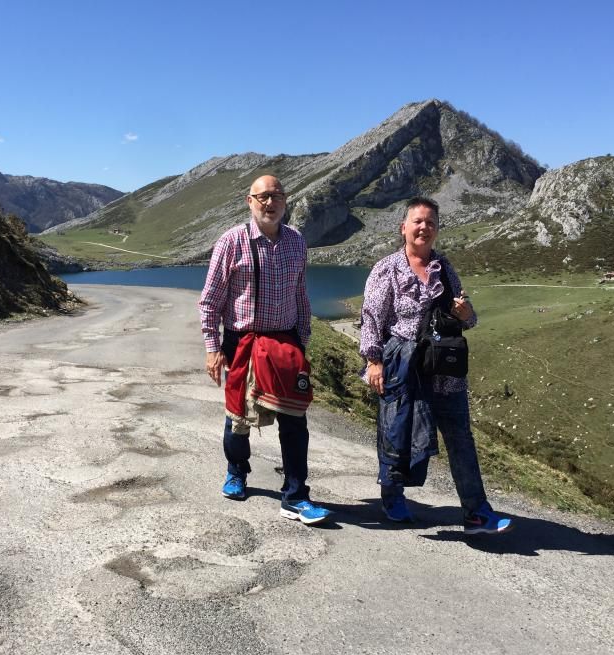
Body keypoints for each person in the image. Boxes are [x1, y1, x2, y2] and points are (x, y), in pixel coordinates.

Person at [359, 196, 514, 534]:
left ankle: (476, 512)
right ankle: (393, 496)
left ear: (437, 230)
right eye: (418, 221)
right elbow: (371, 318)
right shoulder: (387, 268)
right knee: (395, 430)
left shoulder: (444, 267)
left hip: (445, 370)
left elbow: (468, 318)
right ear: (404, 228)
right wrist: (373, 361)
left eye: (431, 223)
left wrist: (465, 313)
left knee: (460, 436)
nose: (424, 227)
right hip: (404, 367)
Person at [198, 175, 330, 525]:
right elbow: (210, 302)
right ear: (249, 201)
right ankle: (237, 470)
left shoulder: (296, 242)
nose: (270, 203)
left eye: (277, 197)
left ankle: (296, 496)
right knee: (238, 416)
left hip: (285, 340)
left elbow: (301, 295)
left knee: (294, 417)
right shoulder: (231, 242)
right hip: (242, 341)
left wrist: (302, 342)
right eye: (263, 197)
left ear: (285, 202)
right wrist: (213, 349)